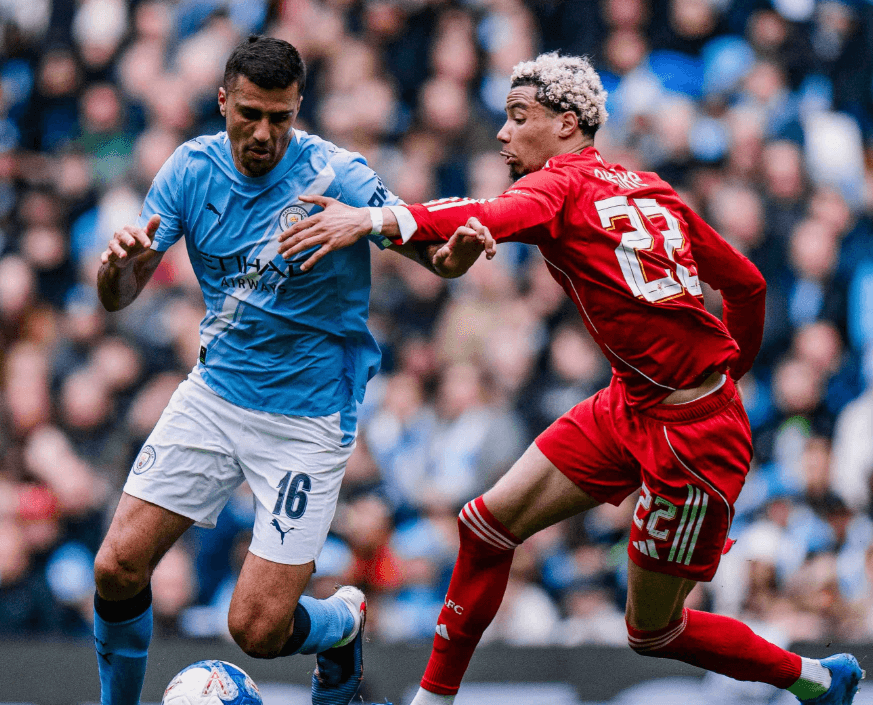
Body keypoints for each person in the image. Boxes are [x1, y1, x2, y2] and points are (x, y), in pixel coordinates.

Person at [277, 52, 865, 705]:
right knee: (485, 525)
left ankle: (816, 678)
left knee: (653, 631)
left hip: (692, 440)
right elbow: (746, 285)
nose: (501, 132)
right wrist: (733, 372)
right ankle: (433, 699)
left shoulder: (558, 185)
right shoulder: (648, 187)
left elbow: (484, 215)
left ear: (566, 124)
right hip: (633, 404)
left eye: (518, 116)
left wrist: (369, 219)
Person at [93, 35, 487, 705]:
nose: (264, 133)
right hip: (216, 395)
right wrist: (115, 266)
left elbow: (438, 260)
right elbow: (118, 296)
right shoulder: (189, 171)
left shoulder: (340, 178)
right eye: (250, 113)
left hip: (305, 418)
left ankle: (342, 620)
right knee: (116, 566)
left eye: (280, 117)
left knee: (255, 627)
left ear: (298, 108)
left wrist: (445, 249)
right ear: (223, 102)